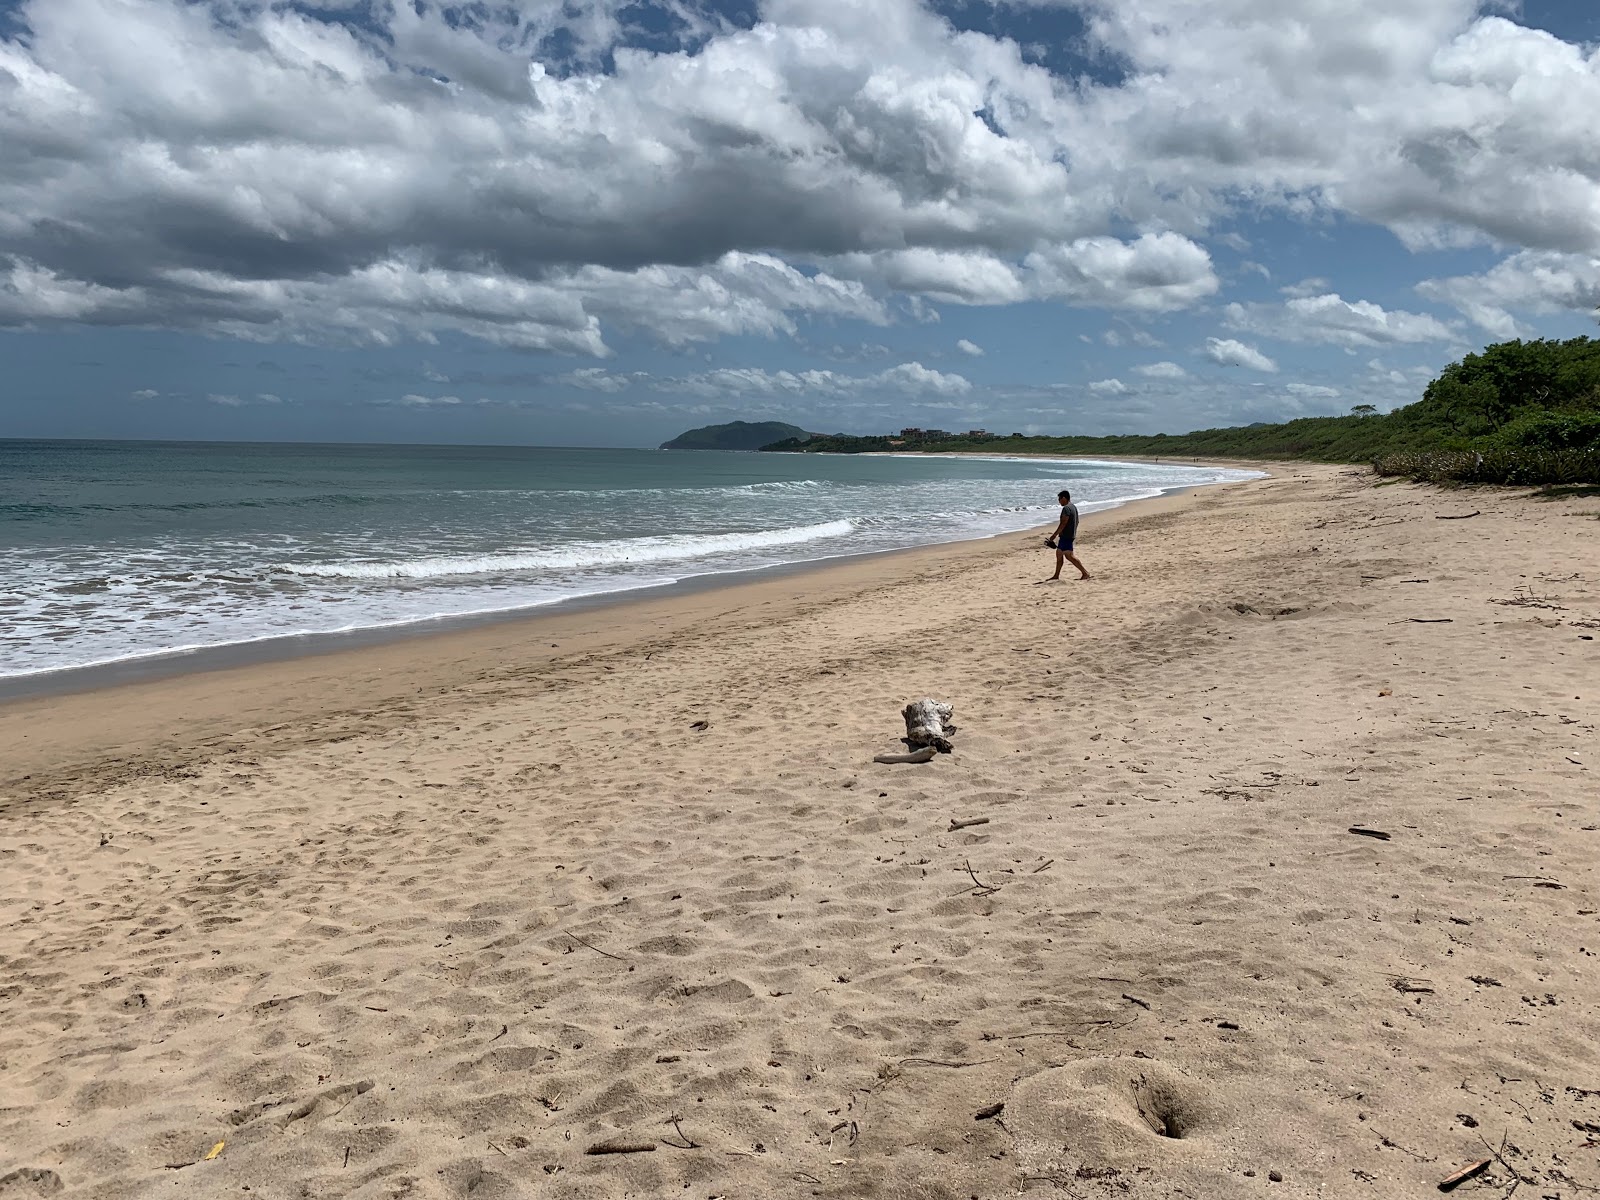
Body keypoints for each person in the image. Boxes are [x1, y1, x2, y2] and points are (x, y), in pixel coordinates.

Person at [1045, 489, 1091, 581]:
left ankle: (1085, 573)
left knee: (1069, 556)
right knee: (1059, 554)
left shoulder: (1066, 508)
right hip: (1067, 535)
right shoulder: (1073, 507)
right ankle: (1056, 575)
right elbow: (1077, 521)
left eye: (1059, 499)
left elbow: (1063, 523)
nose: (1059, 502)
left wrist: (1054, 535)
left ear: (1064, 498)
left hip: (1067, 536)